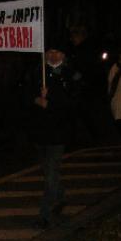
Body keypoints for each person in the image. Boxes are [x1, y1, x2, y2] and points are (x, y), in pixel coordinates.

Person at [26, 43, 77, 229]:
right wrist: (35, 99)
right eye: (50, 51)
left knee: (51, 175)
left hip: (59, 132)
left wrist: (51, 102)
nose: (53, 55)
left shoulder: (70, 74)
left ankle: (45, 215)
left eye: (57, 51)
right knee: (48, 172)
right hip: (40, 132)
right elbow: (24, 93)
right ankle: (61, 196)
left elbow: (74, 102)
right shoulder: (37, 72)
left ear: (63, 54)